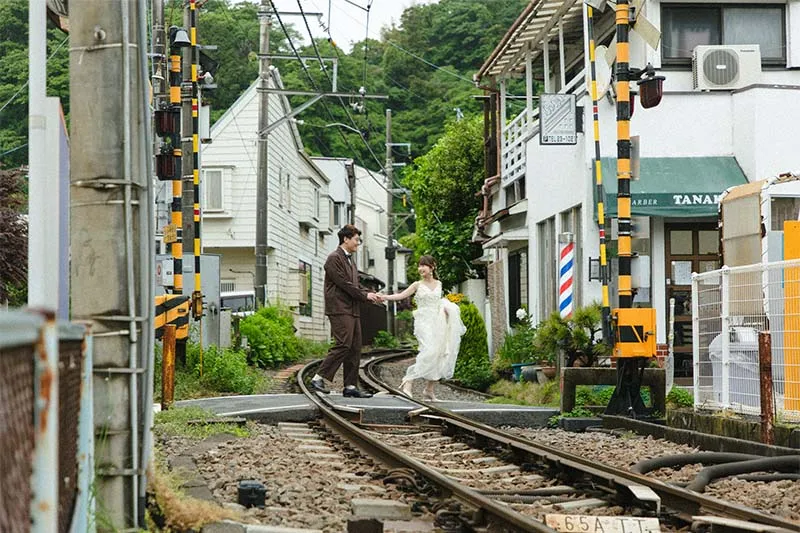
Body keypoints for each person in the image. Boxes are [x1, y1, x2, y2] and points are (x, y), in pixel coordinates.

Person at [310, 224, 382, 398]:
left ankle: (350, 386)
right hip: (339, 308)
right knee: (343, 343)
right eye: (356, 239)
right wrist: (366, 296)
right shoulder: (334, 258)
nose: (358, 243)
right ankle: (318, 378)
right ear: (346, 239)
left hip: (352, 309)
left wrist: (370, 294)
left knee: (355, 347)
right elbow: (345, 285)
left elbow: (356, 285)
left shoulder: (350, 260)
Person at [381, 255, 466, 401]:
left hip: (438, 322)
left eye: (423, 265)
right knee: (429, 351)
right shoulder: (417, 285)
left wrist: (446, 310)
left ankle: (429, 390)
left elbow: (439, 302)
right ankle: (408, 381)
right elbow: (401, 295)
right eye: (419, 266)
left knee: (440, 354)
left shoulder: (439, 284)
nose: (420, 268)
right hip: (423, 322)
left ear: (432, 267)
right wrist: (384, 297)